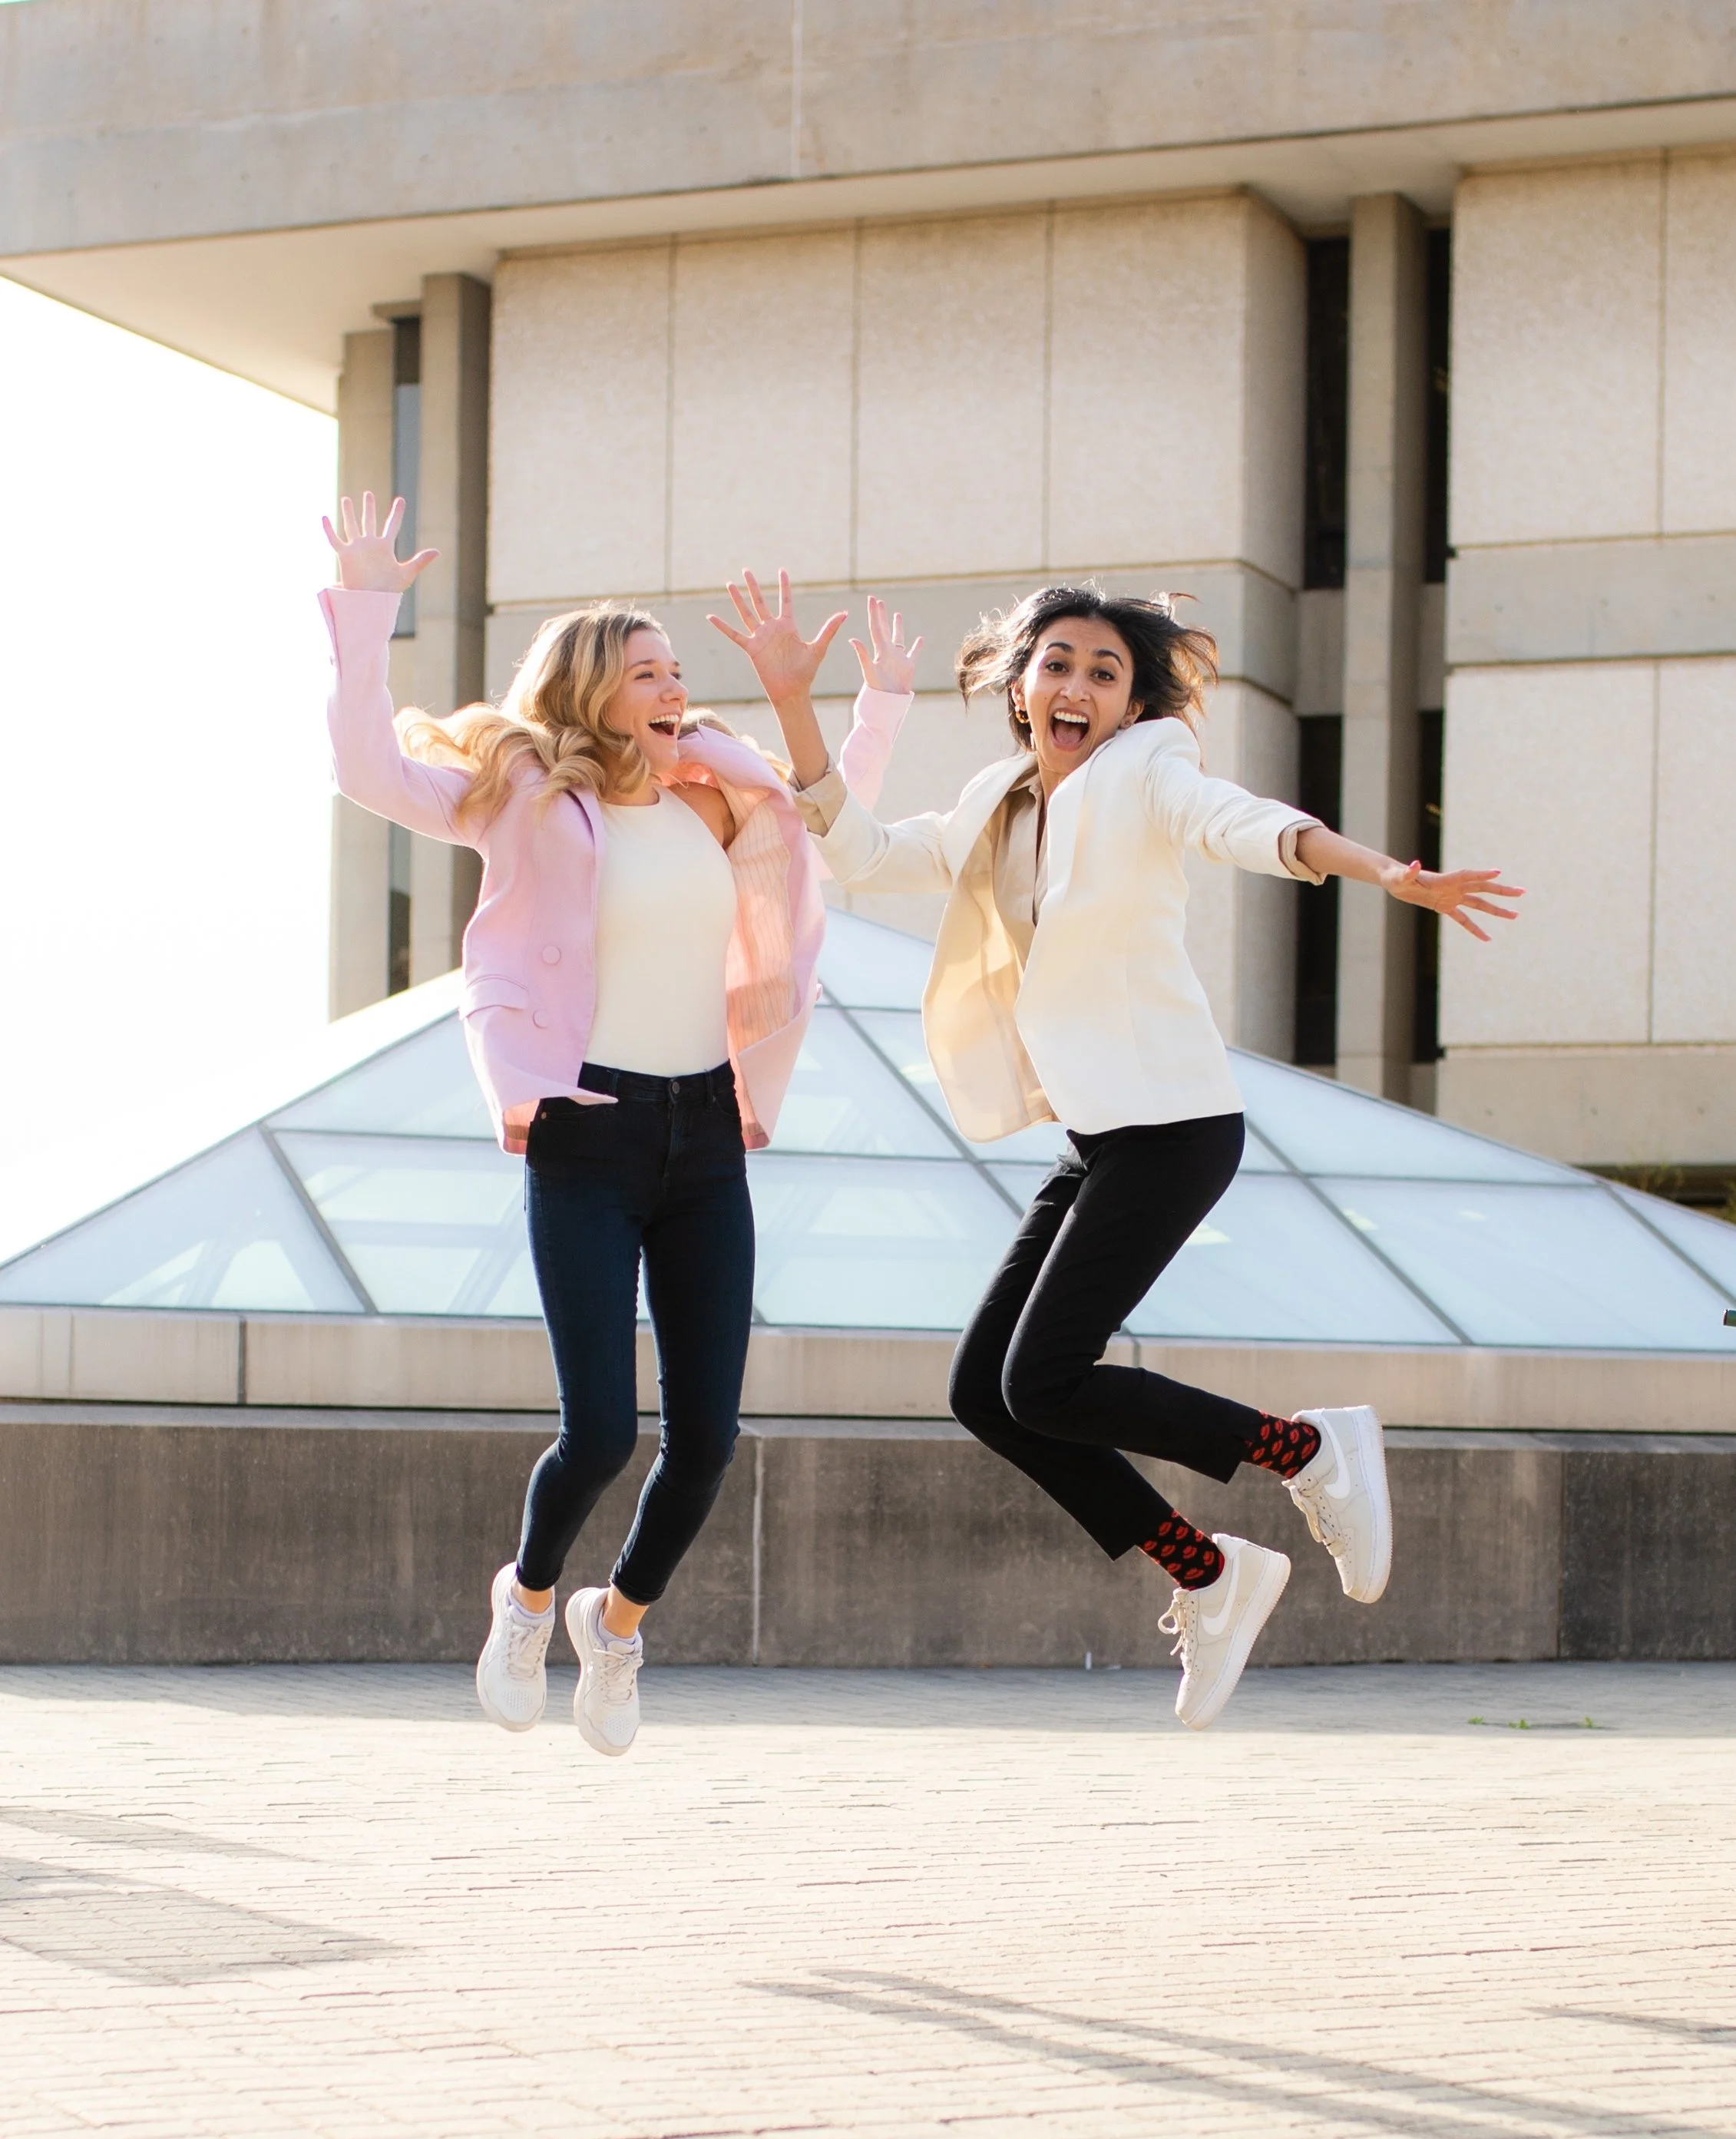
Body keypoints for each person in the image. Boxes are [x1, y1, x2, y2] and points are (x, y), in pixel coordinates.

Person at [712, 570, 1522, 1728]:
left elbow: (1243, 825)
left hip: (1175, 1125)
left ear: (1136, 704)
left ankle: (1306, 1449)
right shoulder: (1003, 800)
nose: (1079, 685)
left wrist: (1382, 870)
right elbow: (869, 855)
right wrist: (796, 703)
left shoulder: (1149, 771)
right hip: (1100, 1139)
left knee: (1044, 1377)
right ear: (1020, 683)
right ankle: (1210, 1570)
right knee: (989, 1396)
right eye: (1059, 664)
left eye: (1108, 671)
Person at [320, 496, 915, 1753]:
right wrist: (366, 609)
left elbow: (831, 830)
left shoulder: (720, 792)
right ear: (591, 690)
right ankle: (528, 1597)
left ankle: (619, 1622)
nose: (671, 687)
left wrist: (872, 712)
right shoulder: (521, 793)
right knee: (597, 1428)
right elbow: (370, 771)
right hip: (587, 1134)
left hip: (707, 1141)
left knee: (706, 1441)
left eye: (677, 671)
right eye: (645, 670)